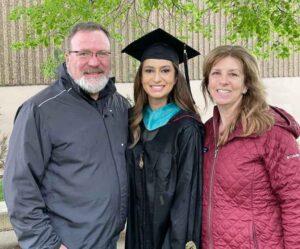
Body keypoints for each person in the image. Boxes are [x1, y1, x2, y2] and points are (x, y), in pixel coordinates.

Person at [4, 22, 129, 249]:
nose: (94, 61)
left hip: (108, 242)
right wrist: (48, 245)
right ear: (67, 57)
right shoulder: (40, 111)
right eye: (83, 53)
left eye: (101, 53)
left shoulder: (119, 107)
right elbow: (20, 189)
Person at [201, 45, 300, 248]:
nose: (223, 81)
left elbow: (295, 201)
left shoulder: (272, 132)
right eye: (216, 73)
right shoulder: (206, 133)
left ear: (247, 84)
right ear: (208, 82)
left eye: (234, 74)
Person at [122, 28, 204, 249]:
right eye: (149, 70)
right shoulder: (131, 122)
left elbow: (187, 199)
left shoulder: (187, 128)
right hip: (137, 236)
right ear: (141, 76)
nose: (156, 78)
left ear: (176, 77)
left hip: (171, 240)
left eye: (165, 70)